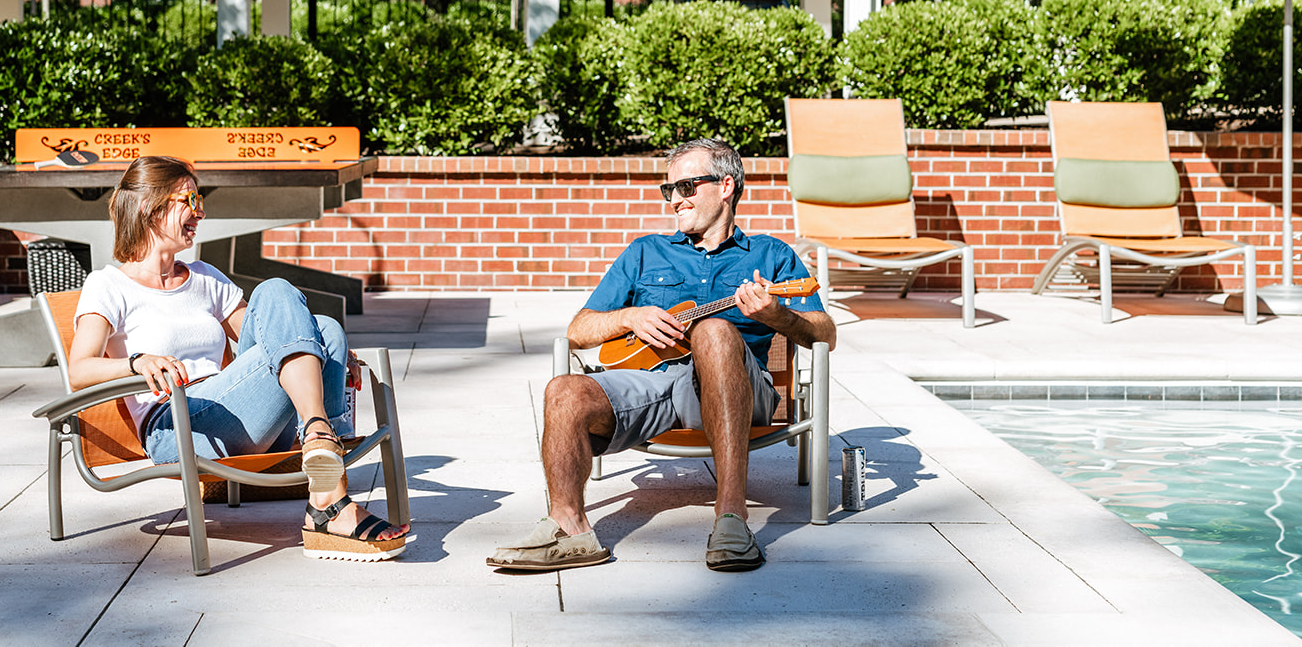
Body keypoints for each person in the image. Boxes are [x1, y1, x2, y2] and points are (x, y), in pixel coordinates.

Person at [488, 137, 835, 573]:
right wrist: (630, 317)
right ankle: (569, 529)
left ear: (726, 186)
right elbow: (578, 331)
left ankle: (732, 519)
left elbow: (825, 333)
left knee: (713, 331)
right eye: (668, 189)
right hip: (655, 385)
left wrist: (778, 314)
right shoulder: (645, 251)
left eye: (687, 186)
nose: (675, 199)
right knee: (564, 390)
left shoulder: (772, 255)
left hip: (740, 388)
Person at [67, 155, 409, 561]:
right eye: (189, 201)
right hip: (180, 422)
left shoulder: (206, 277)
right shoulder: (109, 286)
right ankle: (327, 477)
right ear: (149, 207)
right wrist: (136, 361)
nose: (201, 212)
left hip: (243, 417)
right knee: (292, 301)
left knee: (322, 327)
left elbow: (274, 330)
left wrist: (322, 346)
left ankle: (323, 475)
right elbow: (79, 369)